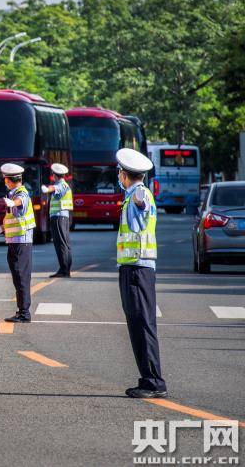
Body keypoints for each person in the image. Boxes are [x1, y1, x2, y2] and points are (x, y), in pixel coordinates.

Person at [115, 148, 166, 399]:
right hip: (135, 267)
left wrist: (140, 201)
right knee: (139, 324)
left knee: (142, 324)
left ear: (125, 174)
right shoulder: (131, 194)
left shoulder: (139, 193)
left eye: (120, 173)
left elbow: (144, 206)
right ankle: (149, 379)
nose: (119, 177)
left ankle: (153, 381)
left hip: (137, 268)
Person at [0, 164, 36, 323]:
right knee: (18, 276)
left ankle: (24, 313)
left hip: (21, 242)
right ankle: (22, 311)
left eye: (5, 178)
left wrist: (14, 204)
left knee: (21, 277)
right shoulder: (12, 194)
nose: (4, 181)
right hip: (15, 241)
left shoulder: (21, 193)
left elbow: (22, 201)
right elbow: (14, 219)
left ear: (9, 179)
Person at [42, 163, 73, 277]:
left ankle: (64, 270)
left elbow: (54, 188)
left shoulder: (61, 185)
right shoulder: (64, 185)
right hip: (62, 217)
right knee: (64, 243)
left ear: (54, 175)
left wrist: (47, 189)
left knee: (61, 244)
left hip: (59, 217)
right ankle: (65, 269)